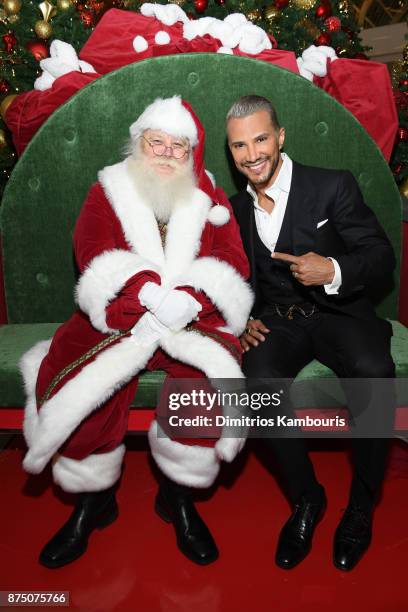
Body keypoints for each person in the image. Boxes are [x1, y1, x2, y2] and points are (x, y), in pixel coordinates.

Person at [20, 95, 253, 569]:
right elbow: (91, 249)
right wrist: (143, 291)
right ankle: (93, 502)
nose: (167, 153)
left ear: (192, 153)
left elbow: (231, 259)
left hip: (192, 319)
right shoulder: (107, 189)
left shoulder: (209, 194)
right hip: (122, 315)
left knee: (203, 390)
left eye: (178, 147)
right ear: (139, 143)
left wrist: (191, 298)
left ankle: (178, 497)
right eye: (157, 142)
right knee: (82, 382)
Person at [226, 95, 396, 572]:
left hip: (340, 314)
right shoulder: (235, 208)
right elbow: (228, 272)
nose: (251, 153)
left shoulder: (331, 186)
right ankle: (307, 498)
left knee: (374, 370)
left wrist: (334, 268)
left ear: (280, 137)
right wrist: (239, 317)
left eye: (260, 138)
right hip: (279, 320)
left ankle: (361, 505)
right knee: (257, 380)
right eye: (239, 145)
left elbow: (381, 255)